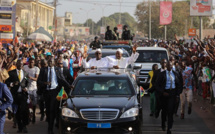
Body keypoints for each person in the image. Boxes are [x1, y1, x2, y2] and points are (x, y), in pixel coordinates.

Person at [37, 59, 70, 134]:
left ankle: (50, 128)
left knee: (52, 110)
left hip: (54, 92)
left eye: (51, 61)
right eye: (49, 61)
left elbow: (62, 79)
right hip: (46, 92)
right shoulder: (43, 70)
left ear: (54, 62)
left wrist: (69, 85)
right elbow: (38, 81)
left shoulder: (57, 70)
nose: (50, 62)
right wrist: (44, 83)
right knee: (48, 110)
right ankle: (49, 123)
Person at [156, 61, 182, 134]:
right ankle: (163, 123)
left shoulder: (175, 74)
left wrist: (177, 95)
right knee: (164, 110)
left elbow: (179, 85)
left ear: (172, 66)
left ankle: (169, 128)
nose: (169, 67)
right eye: (168, 65)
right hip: (164, 93)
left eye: (171, 65)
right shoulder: (161, 74)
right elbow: (157, 85)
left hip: (172, 94)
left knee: (170, 111)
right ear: (166, 66)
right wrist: (162, 92)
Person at [6, 60, 29, 133]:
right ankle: (20, 127)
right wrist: (12, 84)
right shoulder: (11, 72)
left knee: (24, 111)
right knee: (17, 112)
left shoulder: (25, 73)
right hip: (15, 95)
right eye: (19, 64)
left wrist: (26, 88)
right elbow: (7, 82)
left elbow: (27, 83)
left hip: (23, 95)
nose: (20, 65)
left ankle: (24, 126)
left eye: (22, 64)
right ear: (16, 64)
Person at [23, 58, 40, 124]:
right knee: (27, 103)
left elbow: (36, 78)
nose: (31, 63)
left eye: (32, 62)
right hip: (27, 88)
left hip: (34, 88)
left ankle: (34, 115)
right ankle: (28, 116)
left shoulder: (36, 69)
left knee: (34, 103)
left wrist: (30, 77)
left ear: (34, 62)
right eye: (30, 62)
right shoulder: (25, 67)